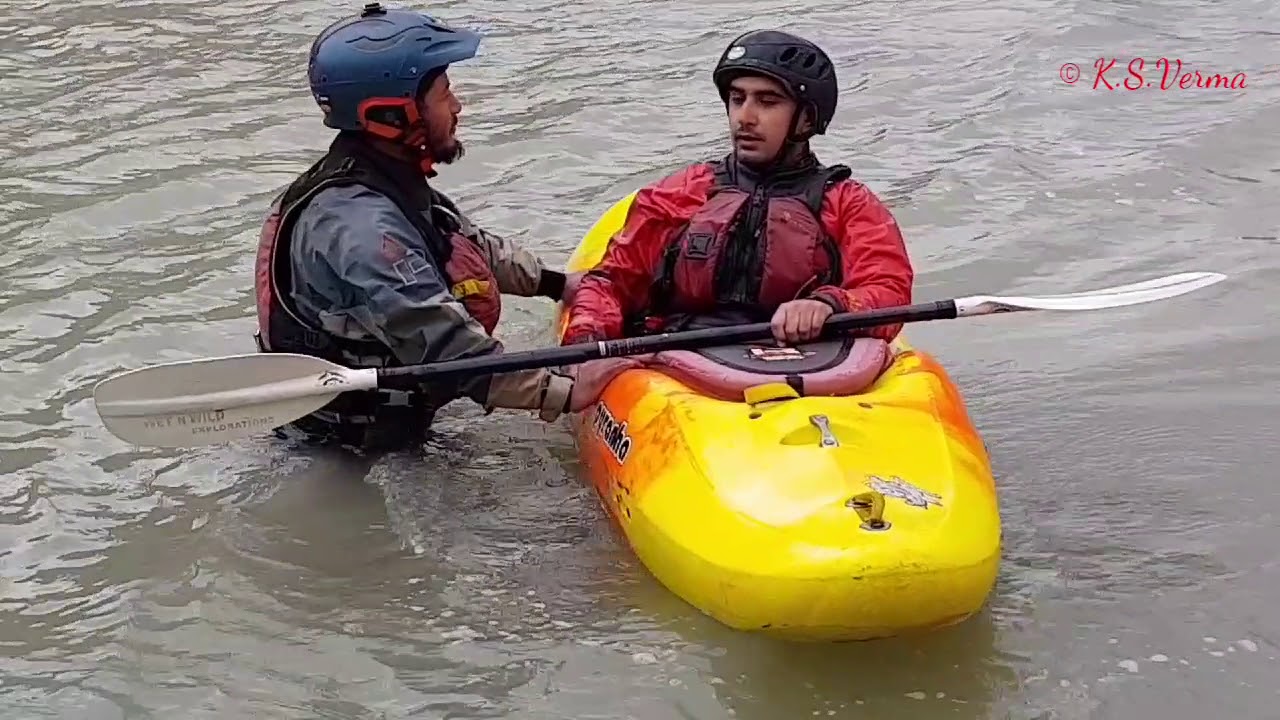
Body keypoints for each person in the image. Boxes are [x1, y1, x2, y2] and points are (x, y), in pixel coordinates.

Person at [254, 3, 597, 450]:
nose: (457, 106)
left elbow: (462, 244)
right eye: (443, 92)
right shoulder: (359, 226)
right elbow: (447, 348)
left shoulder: (382, 177)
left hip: (397, 415)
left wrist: (560, 284)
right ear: (391, 114)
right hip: (347, 450)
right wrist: (569, 393)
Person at [559, 29, 915, 398]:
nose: (744, 117)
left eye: (767, 101)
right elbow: (610, 283)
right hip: (683, 365)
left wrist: (828, 303)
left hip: (811, 368)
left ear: (807, 119)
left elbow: (887, 291)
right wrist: (585, 347)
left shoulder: (848, 203)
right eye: (737, 98)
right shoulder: (681, 193)